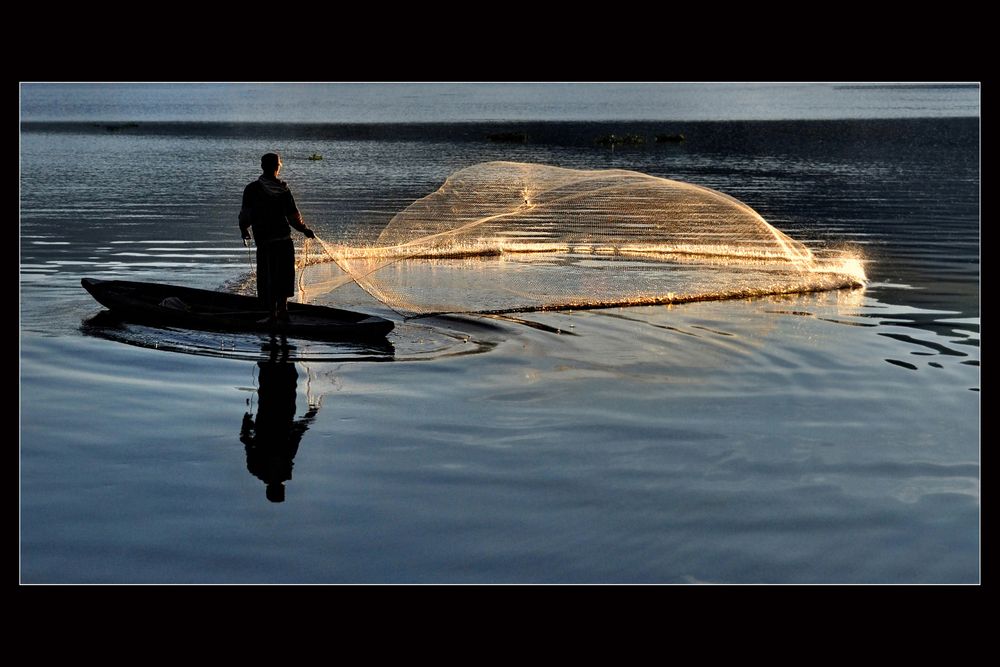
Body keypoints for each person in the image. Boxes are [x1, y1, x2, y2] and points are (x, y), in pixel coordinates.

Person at [239, 152, 316, 324]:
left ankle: (272, 314)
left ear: (262, 167)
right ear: (277, 167)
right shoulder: (283, 190)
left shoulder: (252, 189)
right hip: (283, 240)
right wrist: (305, 230)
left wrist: (244, 230)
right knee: (284, 276)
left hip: (265, 241)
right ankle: (282, 311)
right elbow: (293, 217)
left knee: (268, 276)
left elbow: (245, 215)